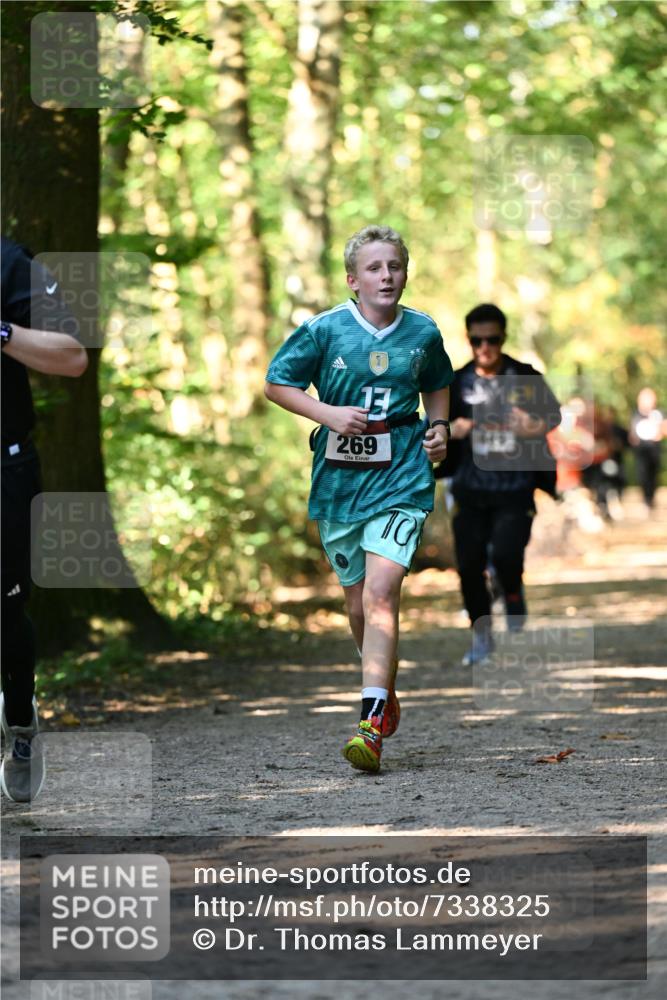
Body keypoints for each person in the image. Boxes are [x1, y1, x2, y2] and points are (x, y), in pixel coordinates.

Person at [265, 225, 453, 772]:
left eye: (394, 266)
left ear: (405, 272)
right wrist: (329, 415)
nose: (386, 276)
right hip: (340, 481)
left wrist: (437, 427)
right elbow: (277, 384)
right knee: (356, 605)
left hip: (402, 473)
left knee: (381, 593)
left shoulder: (422, 330)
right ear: (353, 280)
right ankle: (384, 685)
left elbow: (437, 381)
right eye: (374, 268)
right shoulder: (323, 331)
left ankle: (369, 721)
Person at [1, 236, 88, 802]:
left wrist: (2, 332)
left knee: (5, 610)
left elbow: (72, 355)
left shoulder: (8, 262)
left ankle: (20, 715)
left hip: (4, 464)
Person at [438, 303, 561, 665]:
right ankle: (482, 638)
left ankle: (511, 588)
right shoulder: (456, 381)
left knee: (507, 556)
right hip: (468, 488)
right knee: (469, 565)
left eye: (491, 339)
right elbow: (435, 425)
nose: (484, 347)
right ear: (469, 339)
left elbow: (551, 417)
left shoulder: (525, 376)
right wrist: (451, 430)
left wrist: (531, 425)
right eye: (477, 340)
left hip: (515, 486)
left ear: (503, 337)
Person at [629, 387, 664, 511]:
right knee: (642, 475)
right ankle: (646, 499)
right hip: (641, 450)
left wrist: (661, 431)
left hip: (654, 449)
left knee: (653, 475)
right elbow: (632, 431)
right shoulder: (635, 414)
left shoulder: (658, 413)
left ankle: (651, 498)